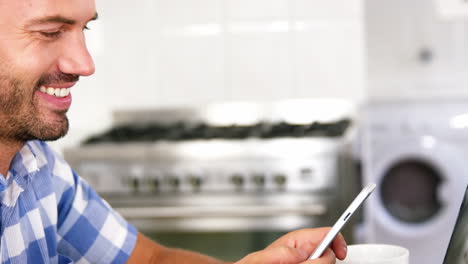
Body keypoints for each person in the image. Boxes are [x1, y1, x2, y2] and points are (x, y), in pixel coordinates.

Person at [0, 0, 348, 263]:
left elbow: (150, 260)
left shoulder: (36, 166)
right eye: (49, 33)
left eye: (84, 29)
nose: (85, 64)